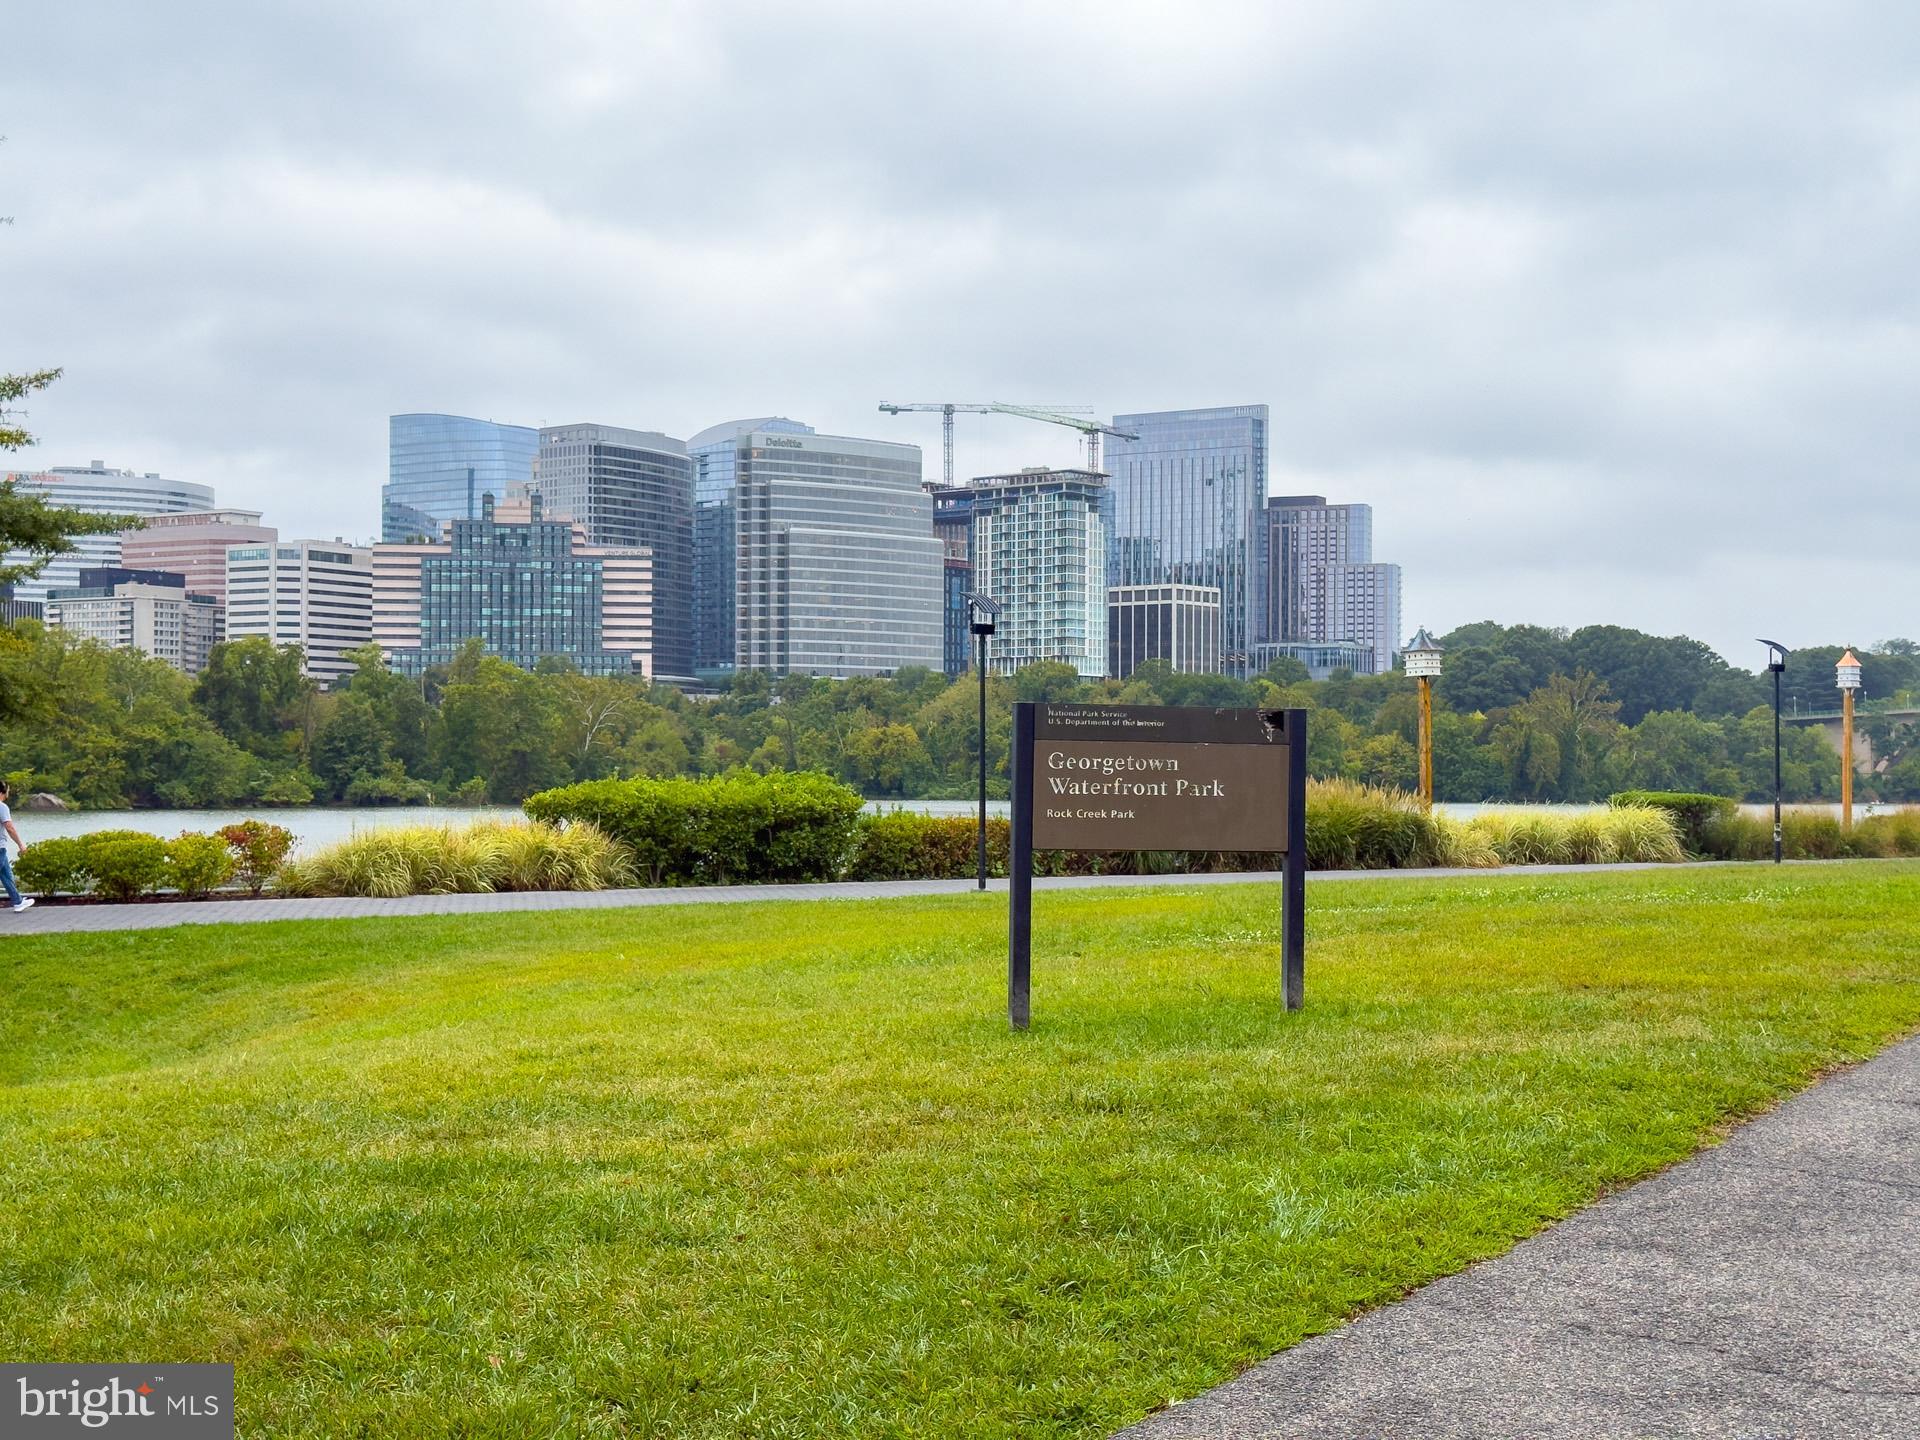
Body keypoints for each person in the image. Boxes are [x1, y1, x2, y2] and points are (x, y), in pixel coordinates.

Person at [0, 779, 35, 914]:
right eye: (8, 789)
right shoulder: (2, 807)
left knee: (7, 876)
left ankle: (18, 902)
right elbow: (9, 828)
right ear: (3, 791)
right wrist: (21, 844)